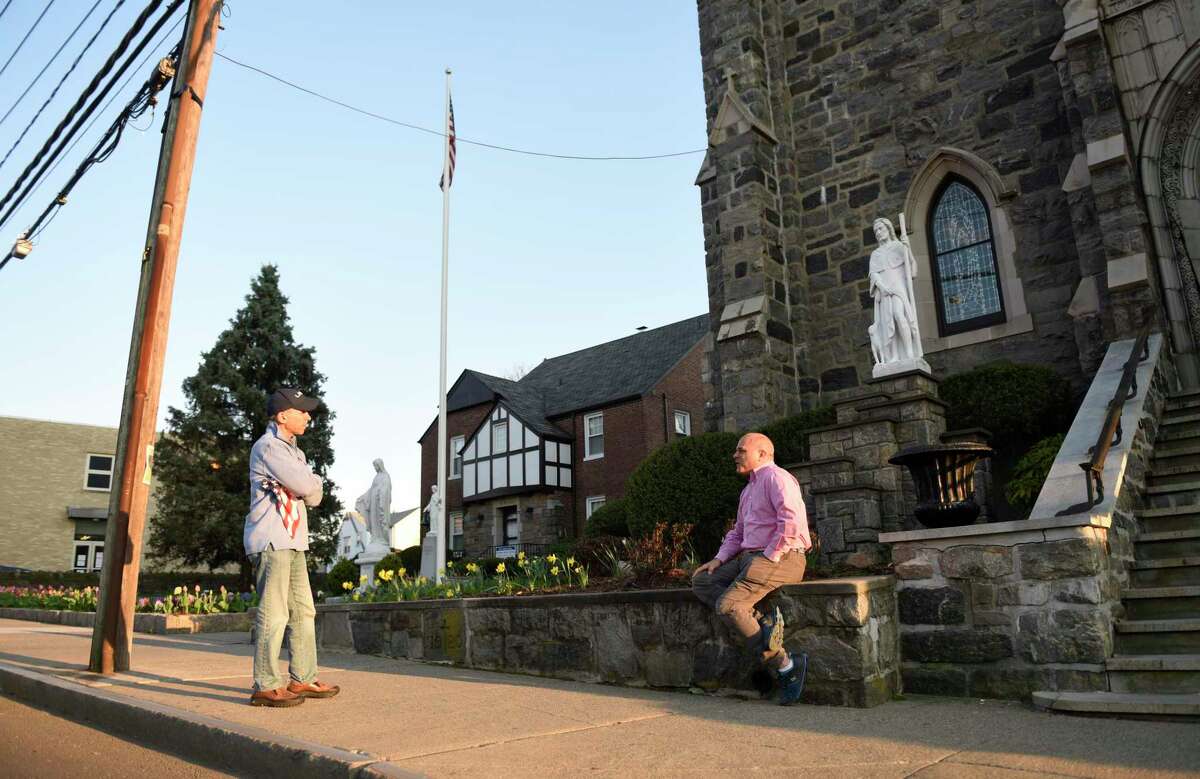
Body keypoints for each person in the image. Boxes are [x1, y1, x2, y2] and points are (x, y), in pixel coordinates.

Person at [691, 432, 811, 705]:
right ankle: (763, 623)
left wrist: (770, 555)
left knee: (728, 606)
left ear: (763, 454)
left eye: (741, 450)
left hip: (783, 557)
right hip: (750, 557)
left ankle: (787, 665)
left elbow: (791, 522)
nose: (735, 455)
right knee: (703, 582)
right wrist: (719, 559)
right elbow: (738, 532)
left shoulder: (777, 478)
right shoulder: (748, 490)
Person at [244, 387, 340, 707]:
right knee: (274, 613)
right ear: (283, 415)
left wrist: (310, 484)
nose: (308, 416)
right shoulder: (269, 447)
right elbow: (305, 486)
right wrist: (309, 483)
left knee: (303, 610)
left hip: (295, 540)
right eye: (302, 411)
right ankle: (266, 684)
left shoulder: (295, 453)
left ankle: (302, 679)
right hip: (272, 539)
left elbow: (314, 496)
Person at [869, 216, 922, 364]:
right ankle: (895, 355)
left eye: (880, 228)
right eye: (875, 231)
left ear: (888, 229)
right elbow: (873, 274)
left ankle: (909, 351)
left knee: (898, 314)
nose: (878, 232)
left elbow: (913, 268)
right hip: (884, 289)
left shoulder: (899, 246)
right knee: (888, 321)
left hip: (898, 286)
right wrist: (881, 286)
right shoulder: (875, 254)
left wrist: (908, 248)